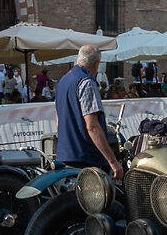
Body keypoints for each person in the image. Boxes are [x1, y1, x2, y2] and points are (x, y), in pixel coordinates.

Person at [53, 42, 125, 183]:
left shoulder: (63, 81)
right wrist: (113, 162)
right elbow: (92, 126)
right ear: (96, 64)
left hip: (65, 156)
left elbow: (58, 120)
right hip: (86, 158)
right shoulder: (86, 82)